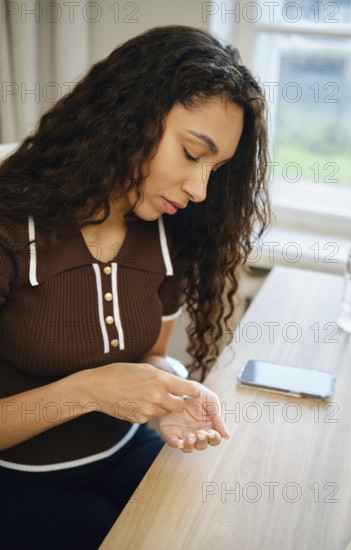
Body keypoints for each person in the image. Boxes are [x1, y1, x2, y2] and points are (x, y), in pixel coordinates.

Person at [0, 25, 270, 549]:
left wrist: (165, 393)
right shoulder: (11, 230)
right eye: (193, 154)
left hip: (126, 454)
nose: (199, 189)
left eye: (215, 169)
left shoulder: (168, 233)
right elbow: (99, 386)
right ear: (128, 116)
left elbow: (148, 354)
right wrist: (88, 390)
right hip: (17, 481)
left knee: (221, 527)